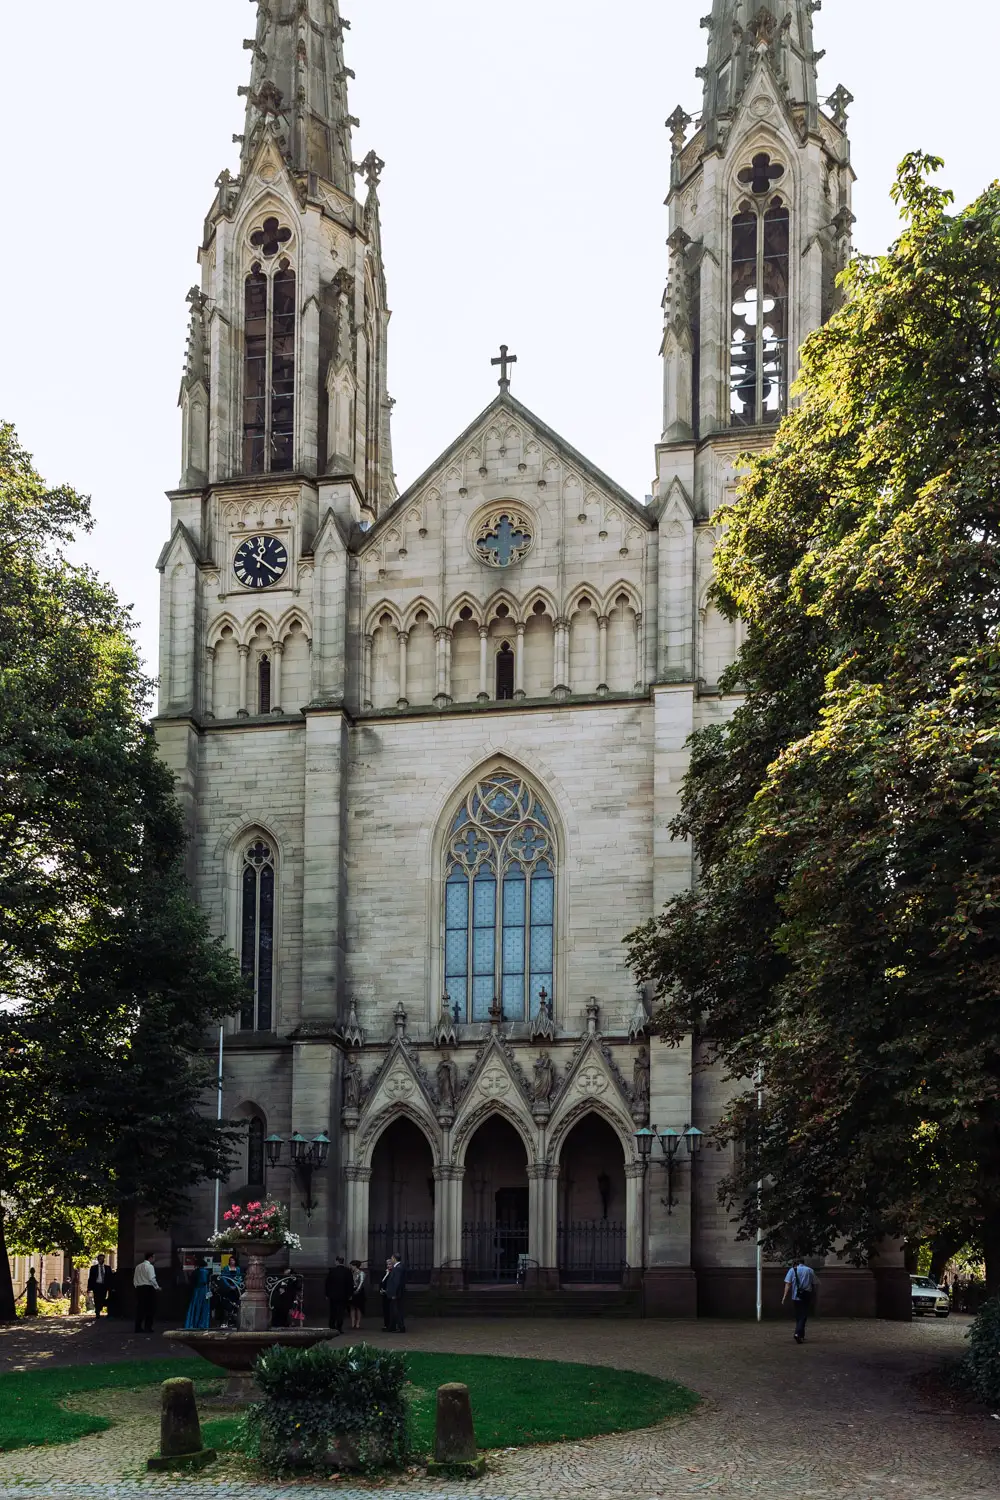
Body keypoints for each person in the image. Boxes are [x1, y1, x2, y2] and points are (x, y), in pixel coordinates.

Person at [782, 1257, 817, 1343]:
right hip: (806, 1295)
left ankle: (801, 1335)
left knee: (798, 1316)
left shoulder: (792, 1270)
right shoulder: (810, 1270)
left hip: (796, 1296)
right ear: (803, 1262)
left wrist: (784, 1296)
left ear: (795, 1263)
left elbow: (788, 1284)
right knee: (803, 1315)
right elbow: (814, 1283)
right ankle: (798, 1334)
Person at [324, 1256, 354, 1334]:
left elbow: (328, 1283)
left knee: (333, 1311)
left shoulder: (332, 1271)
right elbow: (350, 1284)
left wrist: (327, 1294)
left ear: (336, 1261)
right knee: (341, 1312)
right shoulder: (347, 1271)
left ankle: (331, 1325)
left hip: (333, 1295)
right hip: (343, 1295)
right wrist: (350, 1294)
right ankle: (339, 1327)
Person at [133, 1252, 160, 1333]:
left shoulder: (138, 1266)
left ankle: (138, 1327)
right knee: (150, 1308)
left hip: (139, 1288)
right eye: (154, 1257)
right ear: (150, 1257)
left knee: (140, 1308)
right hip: (148, 1288)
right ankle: (148, 1327)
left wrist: (136, 1286)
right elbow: (152, 1278)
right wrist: (157, 1287)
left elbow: (135, 1279)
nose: (154, 1259)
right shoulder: (150, 1266)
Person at [184, 1257, 212, 1330]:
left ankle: (193, 1323)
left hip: (197, 1290)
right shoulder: (207, 1272)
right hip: (205, 1290)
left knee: (196, 1306)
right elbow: (209, 1282)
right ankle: (203, 1324)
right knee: (204, 1307)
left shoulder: (196, 1272)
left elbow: (191, 1282)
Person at [217, 1255, 244, 1329]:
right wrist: (229, 1286)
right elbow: (223, 1277)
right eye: (230, 1260)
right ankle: (225, 1321)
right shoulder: (226, 1268)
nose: (232, 1262)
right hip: (228, 1288)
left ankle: (234, 1321)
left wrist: (236, 1285)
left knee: (236, 1303)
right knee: (227, 1304)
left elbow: (240, 1277)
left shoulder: (238, 1268)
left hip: (236, 1288)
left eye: (233, 1260)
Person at [384, 1252, 406, 1333]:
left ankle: (400, 1327)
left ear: (394, 1258)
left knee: (396, 1311)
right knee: (394, 1310)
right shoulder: (398, 1267)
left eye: (392, 1258)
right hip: (396, 1293)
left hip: (396, 1294)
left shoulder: (398, 1268)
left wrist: (394, 1293)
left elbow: (397, 1282)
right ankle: (392, 1326)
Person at [87, 1254, 114, 1319]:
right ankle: (97, 1312)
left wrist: (111, 1287)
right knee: (96, 1299)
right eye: (101, 1259)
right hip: (96, 1285)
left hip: (104, 1286)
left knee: (102, 1298)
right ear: (98, 1260)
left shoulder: (108, 1268)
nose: (102, 1260)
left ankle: (99, 1308)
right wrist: (89, 1287)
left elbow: (111, 1278)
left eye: (103, 1259)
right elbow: (90, 1278)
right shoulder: (93, 1268)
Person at [349, 1259, 367, 1330]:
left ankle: (358, 1323)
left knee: (358, 1307)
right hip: (352, 1290)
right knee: (352, 1307)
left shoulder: (361, 1273)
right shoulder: (351, 1273)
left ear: (355, 1266)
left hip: (359, 1292)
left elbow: (361, 1282)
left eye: (352, 1266)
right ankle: (353, 1322)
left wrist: (357, 1290)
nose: (351, 1267)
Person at [379, 1257, 393, 1331]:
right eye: (387, 1264)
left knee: (390, 1310)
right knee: (385, 1310)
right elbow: (381, 1282)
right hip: (384, 1294)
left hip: (389, 1294)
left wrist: (387, 1291)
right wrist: (380, 1290)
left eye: (390, 1264)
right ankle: (386, 1324)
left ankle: (390, 1325)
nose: (388, 1266)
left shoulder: (393, 1273)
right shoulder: (385, 1272)